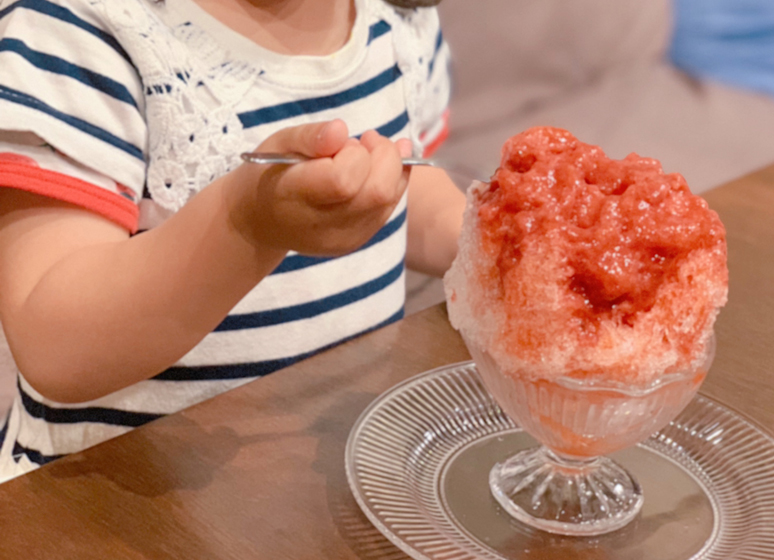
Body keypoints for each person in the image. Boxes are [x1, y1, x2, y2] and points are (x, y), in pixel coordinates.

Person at [0, 0, 465, 481]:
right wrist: (244, 226)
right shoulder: (78, 28)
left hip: (336, 472)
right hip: (116, 506)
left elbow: (402, 189)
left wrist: (484, 237)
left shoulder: (397, 19)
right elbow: (56, 347)